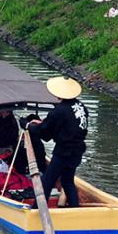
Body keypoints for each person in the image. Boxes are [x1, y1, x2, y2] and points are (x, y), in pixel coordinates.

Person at [27, 76, 89, 208]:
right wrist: (42, 123)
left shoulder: (59, 111)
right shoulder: (81, 106)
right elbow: (67, 125)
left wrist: (28, 126)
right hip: (77, 151)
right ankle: (74, 208)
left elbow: (45, 133)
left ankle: (37, 209)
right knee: (67, 181)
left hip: (64, 152)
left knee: (47, 182)